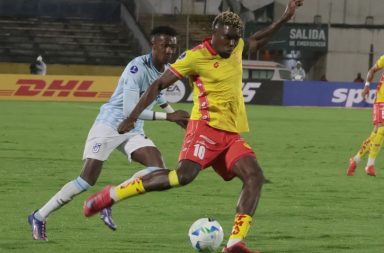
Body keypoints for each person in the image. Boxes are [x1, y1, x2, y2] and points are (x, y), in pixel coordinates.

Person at [83, 1, 303, 252]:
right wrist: (132, 117)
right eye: (228, 38)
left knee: (254, 176)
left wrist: (285, 17)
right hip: (204, 128)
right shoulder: (195, 57)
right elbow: (157, 85)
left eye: (236, 39)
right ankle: (111, 195)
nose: (232, 44)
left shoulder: (237, 47)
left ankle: (234, 243)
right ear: (215, 34)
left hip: (229, 133)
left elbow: (256, 40)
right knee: (181, 177)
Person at [27, 26, 189, 241]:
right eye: (165, 45)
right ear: (153, 46)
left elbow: (157, 96)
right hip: (111, 124)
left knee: (157, 170)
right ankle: (39, 216)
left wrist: (174, 115)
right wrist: (169, 117)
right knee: (86, 181)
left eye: (173, 46)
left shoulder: (166, 69)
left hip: (133, 129)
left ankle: (109, 199)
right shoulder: (137, 68)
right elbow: (128, 111)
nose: (169, 50)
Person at [347, 55, 384, 177]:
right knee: (382, 129)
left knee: (375, 134)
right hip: (381, 100)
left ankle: (356, 159)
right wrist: (367, 86)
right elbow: (372, 70)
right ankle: (370, 165)